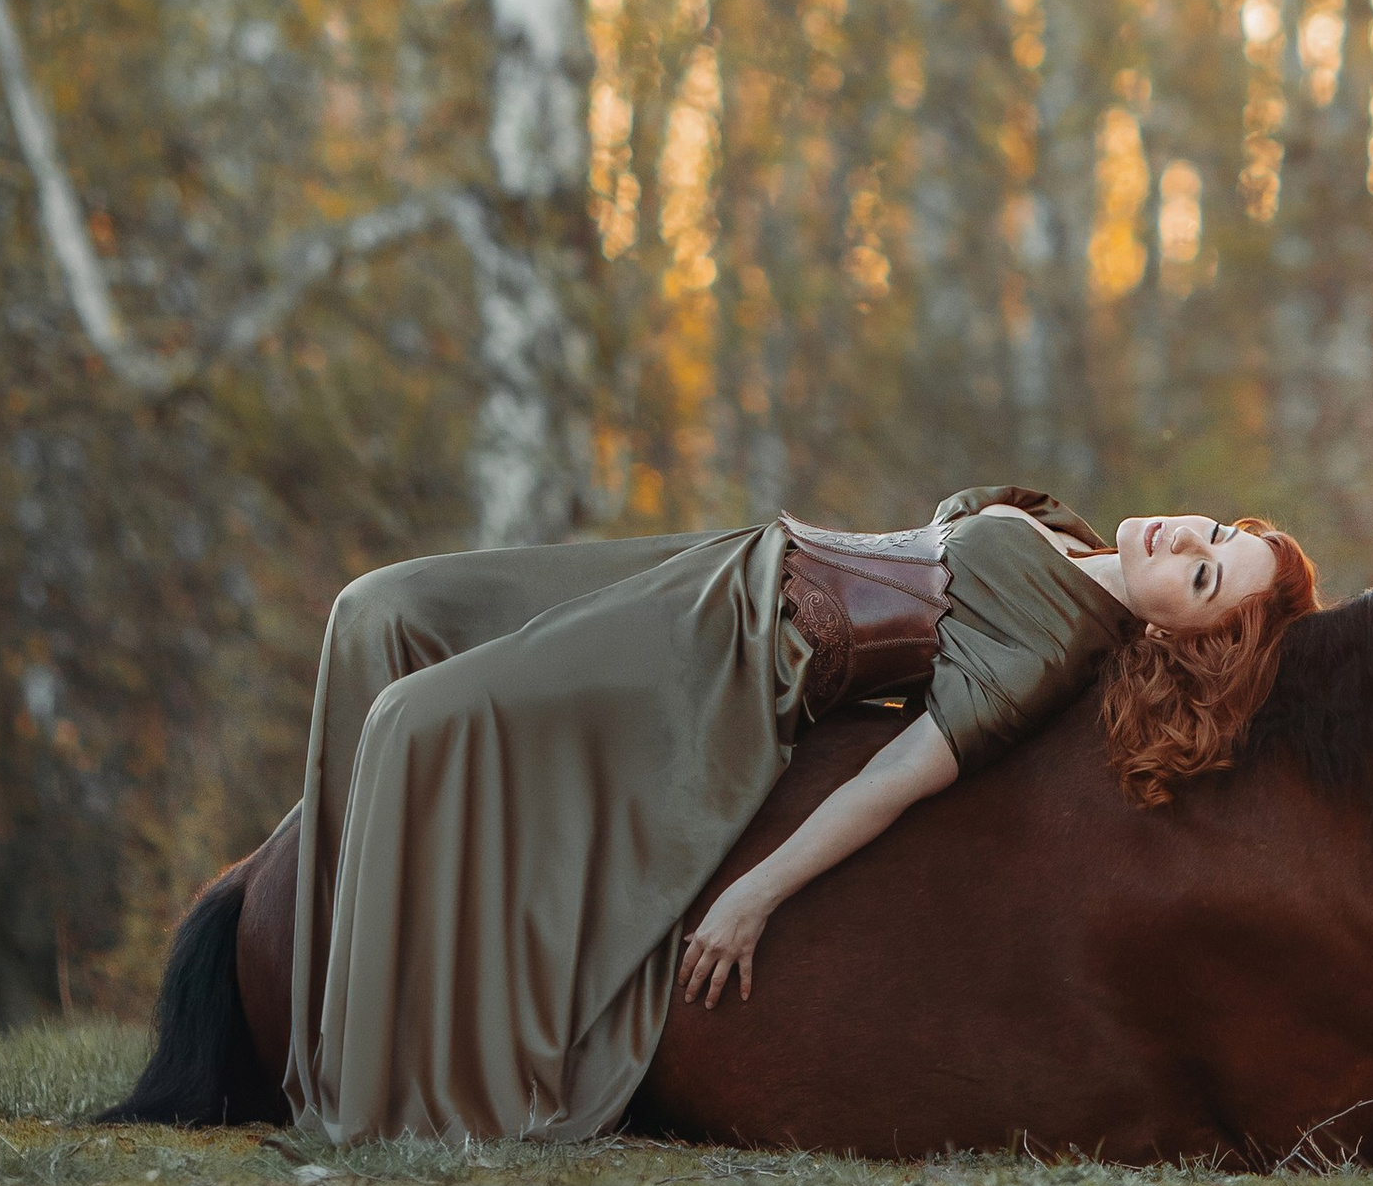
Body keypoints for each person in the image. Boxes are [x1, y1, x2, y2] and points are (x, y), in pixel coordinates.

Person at [285, 486, 1316, 1147]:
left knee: (418, 722)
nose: (1186, 536)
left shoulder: (1043, 651)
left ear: (1174, 633)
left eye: (1202, 573)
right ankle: (311, 1039)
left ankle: (383, 1102)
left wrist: (753, 894)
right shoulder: (1073, 541)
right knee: (377, 609)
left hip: (717, 668)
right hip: (720, 566)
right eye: (1216, 533)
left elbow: (895, 779)